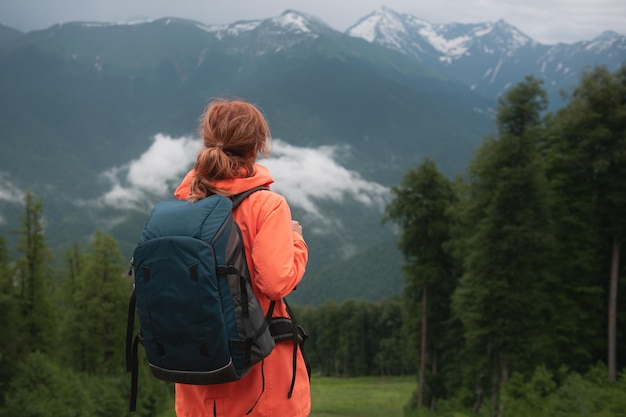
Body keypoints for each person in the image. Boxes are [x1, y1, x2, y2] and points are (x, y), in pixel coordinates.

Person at [172, 98, 310, 417]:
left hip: (198, 378)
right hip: (260, 379)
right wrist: (296, 241)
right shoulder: (266, 205)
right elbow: (276, 283)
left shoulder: (182, 208)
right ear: (255, 147)